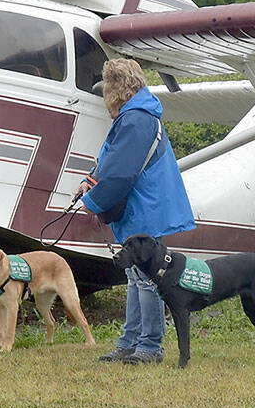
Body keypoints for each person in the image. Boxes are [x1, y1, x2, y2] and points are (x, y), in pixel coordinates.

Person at [78, 58, 194, 365]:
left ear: (115, 87)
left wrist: (92, 201)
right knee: (135, 276)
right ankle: (130, 343)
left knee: (145, 279)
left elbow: (120, 174)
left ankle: (150, 346)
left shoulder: (135, 119)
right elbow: (112, 161)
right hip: (144, 205)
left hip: (144, 207)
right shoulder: (138, 115)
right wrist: (91, 180)